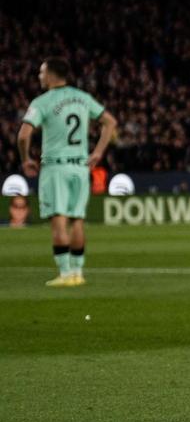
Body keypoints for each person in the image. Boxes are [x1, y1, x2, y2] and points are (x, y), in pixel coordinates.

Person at [18, 58, 116, 286]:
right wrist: (98, 152)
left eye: (42, 72)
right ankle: (78, 273)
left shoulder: (42, 102)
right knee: (78, 220)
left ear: (51, 75)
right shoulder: (83, 97)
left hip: (56, 168)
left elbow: (23, 135)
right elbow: (110, 122)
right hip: (80, 167)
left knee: (59, 220)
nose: (39, 76)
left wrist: (25, 159)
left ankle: (64, 274)